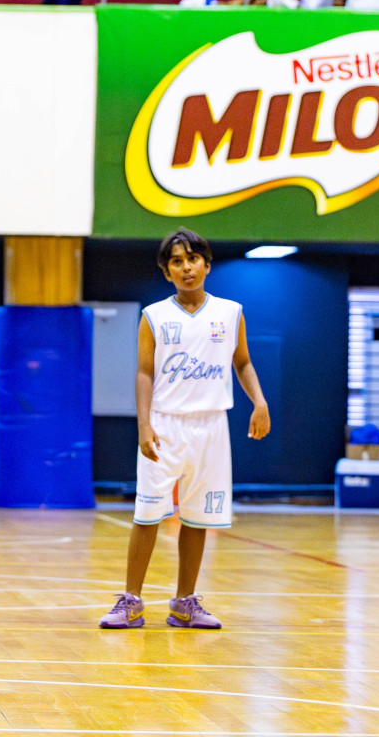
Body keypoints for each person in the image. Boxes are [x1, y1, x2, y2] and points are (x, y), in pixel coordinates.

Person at [99, 228, 271, 632]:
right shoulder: (154, 316)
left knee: (198, 518)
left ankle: (184, 603)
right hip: (165, 425)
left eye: (192, 259)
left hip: (211, 426)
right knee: (147, 514)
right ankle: (131, 601)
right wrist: (144, 424)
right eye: (176, 261)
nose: (186, 267)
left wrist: (259, 401)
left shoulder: (230, 312)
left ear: (207, 265)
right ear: (167, 272)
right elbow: (144, 372)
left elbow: (242, 362)